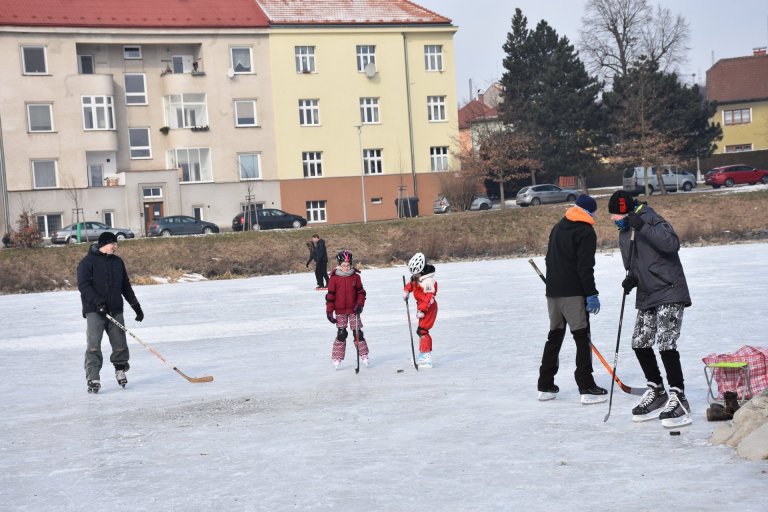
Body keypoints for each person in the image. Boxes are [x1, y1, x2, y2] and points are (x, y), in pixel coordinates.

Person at [608, 190, 692, 427]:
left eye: (616, 214)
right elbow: (635, 264)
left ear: (626, 211)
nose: (613, 219)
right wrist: (631, 279)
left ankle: (679, 396)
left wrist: (643, 226)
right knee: (640, 342)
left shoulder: (649, 218)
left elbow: (671, 243)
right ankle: (657, 390)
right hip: (647, 294)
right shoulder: (624, 232)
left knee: (666, 342)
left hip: (669, 289)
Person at [538, 194, 607, 403]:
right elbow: (585, 267)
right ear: (589, 212)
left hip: (553, 294)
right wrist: (591, 293)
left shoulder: (558, 227)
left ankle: (545, 386)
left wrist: (554, 284)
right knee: (582, 338)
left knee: (554, 337)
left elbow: (549, 259)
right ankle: (586, 387)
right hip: (573, 294)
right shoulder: (586, 231)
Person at [76, 231, 144, 393]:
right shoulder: (87, 262)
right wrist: (98, 303)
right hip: (94, 311)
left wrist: (136, 306)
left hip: (115, 309)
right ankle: (93, 377)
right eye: (113, 243)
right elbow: (83, 286)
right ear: (104, 244)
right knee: (93, 345)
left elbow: (125, 286)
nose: (116, 246)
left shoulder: (117, 262)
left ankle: (120, 369)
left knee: (120, 343)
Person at [325, 250, 368, 369]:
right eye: (344, 265)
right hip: (340, 311)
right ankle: (337, 357)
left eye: (348, 265)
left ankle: (363, 354)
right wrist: (329, 311)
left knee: (358, 332)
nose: (346, 267)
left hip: (354, 310)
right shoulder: (334, 279)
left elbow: (361, 292)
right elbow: (330, 296)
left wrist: (360, 304)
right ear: (339, 264)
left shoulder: (355, 277)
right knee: (341, 333)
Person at [403, 252, 438, 368]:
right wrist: (406, 291)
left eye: (416, 273)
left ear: (422, 270)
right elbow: (412, 284)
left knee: (422, 331)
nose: (414, 276)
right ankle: (423, 354)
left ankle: (426, 357)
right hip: (422, 309)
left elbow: (429, 298)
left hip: (429, 309)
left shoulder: (428, 281)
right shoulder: (417, 278)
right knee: (421, 331)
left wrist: (422, 310)